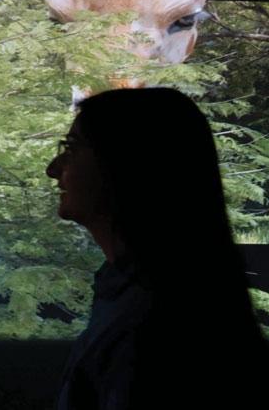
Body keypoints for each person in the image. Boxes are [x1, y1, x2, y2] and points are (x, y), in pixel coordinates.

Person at [46, 88, 269, 409]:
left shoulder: (159, 329)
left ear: (124, 162)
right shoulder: (145, 298)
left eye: (72, 149)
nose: (53, 169)